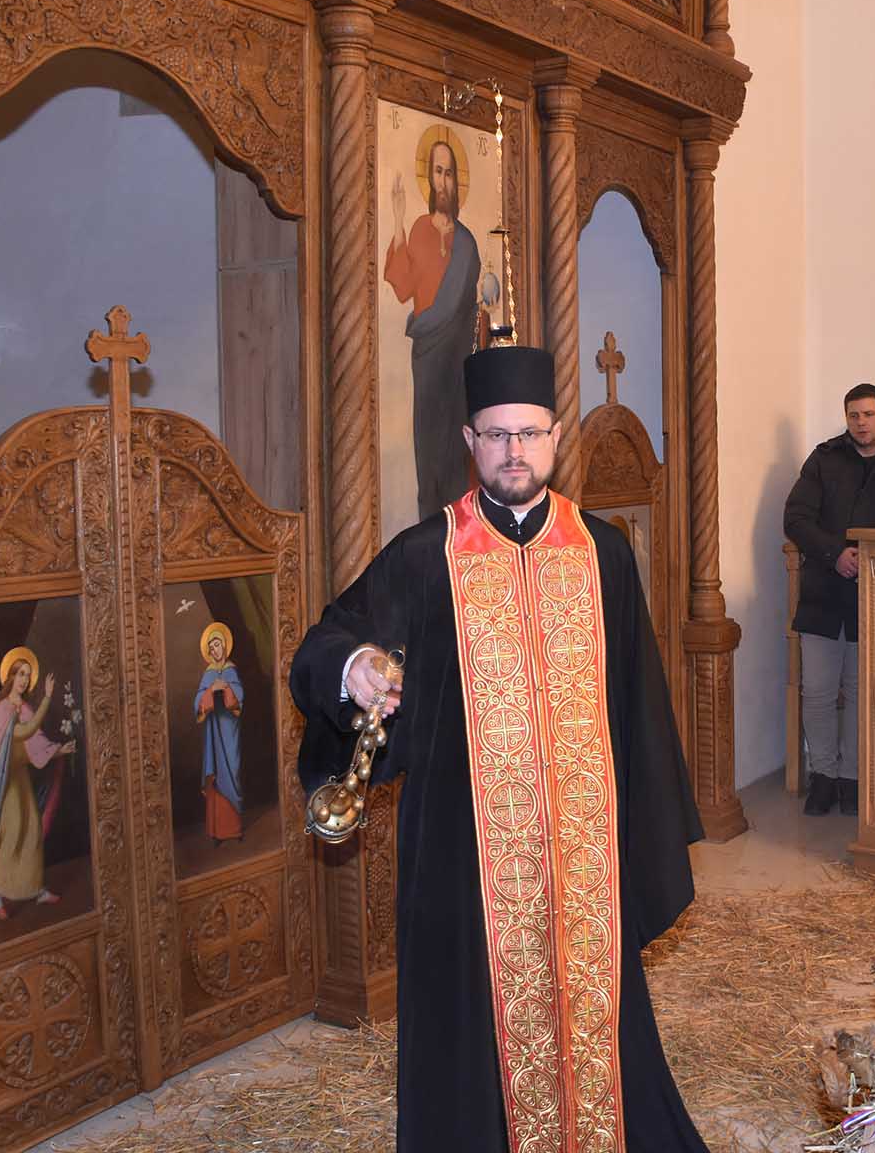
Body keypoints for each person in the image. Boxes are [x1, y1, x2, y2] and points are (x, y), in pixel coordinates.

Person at [290, 345, 707, 1151]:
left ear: (556, 437)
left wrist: (644, 832)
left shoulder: (604, 553)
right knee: (470, 1031)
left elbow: (640, 703)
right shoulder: (426, 555)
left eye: (529, 433)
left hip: (584, 850)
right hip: (465, 855)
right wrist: (356, 667)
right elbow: (325, 642)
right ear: (469, 441)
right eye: (496, 435)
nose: (514, 451)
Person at [784, 384, 875, 817]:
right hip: (823, 592)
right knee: (818, 691)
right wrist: (835, 553)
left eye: (868, 414)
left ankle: (853, 779)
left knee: (864, 692)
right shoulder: (824, 459)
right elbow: (796, 518)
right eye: (853, 415)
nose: (861, 423)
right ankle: (823, 775)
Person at [386, 135, 486, 518]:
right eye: (437, 172)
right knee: (428, 447)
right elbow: (403, 287)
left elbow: (473, 311)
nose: (443, 181)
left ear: (456, 180)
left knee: (456, 447)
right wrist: (398, 220)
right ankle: (429, 527)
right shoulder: (419, 230)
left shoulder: (467, 245)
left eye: (449, 173)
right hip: (427, 358)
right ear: (429, 178)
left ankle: (459, 525)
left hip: (458, 363)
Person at [0, 648, 77, 919]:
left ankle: (34, 888)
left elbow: (36, 743)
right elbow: (24, 731)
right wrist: (47, 698)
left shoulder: (25, 708)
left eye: (27, 675)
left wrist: (59, 750)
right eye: (20, 674)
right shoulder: (1, 710)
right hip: (2, 784)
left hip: (20, 780)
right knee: (11, 832)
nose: (24, 680)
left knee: (32, 829)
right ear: (10, 677)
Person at [196, 621, 245, 843]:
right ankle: (218, 832)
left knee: (231, 773)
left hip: (229, 730)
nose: (215, 650)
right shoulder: (208, 674)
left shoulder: (231, 671)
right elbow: (198, 700)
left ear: (225, 645)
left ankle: (234, 829)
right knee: (215, 774)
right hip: (213, 733)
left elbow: (239, 698)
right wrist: (209, 691)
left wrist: (224, 688)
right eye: (211, 647)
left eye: (217, 645)